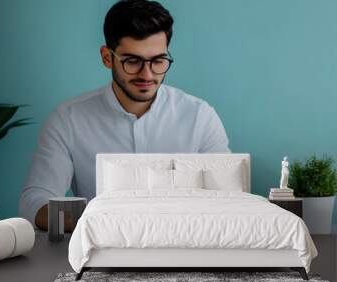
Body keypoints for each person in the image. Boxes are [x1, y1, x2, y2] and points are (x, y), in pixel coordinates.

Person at [19, 0, 231, 231]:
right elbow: (35, 201)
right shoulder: (68, 120)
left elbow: (229, 198)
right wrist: (96, 224)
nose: (147, 74)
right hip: (98, 251)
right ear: (107, 57)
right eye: (132, 61)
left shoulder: (200, 117)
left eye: (158, 61)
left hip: (186, 249)